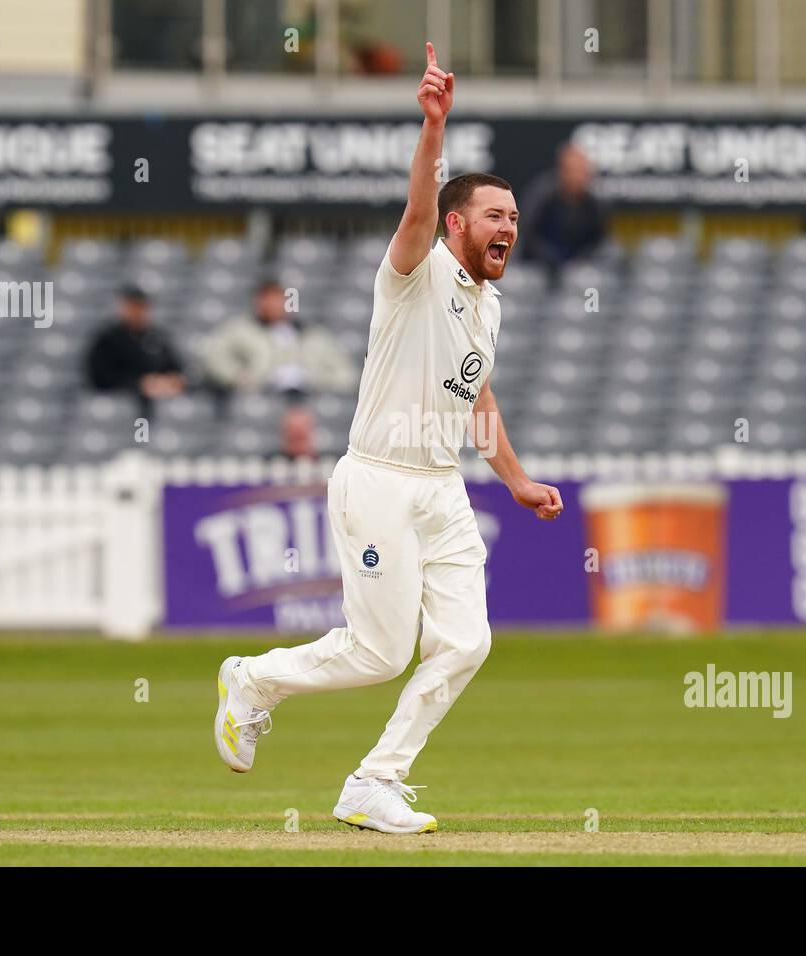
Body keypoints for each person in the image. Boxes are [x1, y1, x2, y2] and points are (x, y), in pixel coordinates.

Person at [211, 41, 564, 835]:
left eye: (513, 216)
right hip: (377, 478)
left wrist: (516, 479)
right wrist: (433, 129)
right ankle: (254, 680)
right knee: (378, 655)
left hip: (442, 489)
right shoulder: (413, 270)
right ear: (456, 224)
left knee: (466, 642)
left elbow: (477, 397)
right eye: (494, 216)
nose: (508, 226)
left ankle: (374, 781)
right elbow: (413, 210)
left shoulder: (489, 305)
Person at [197, 278, 356, 400]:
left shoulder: (314, 335)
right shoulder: (239, 330)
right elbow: (213, 357)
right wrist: (243, 379)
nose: (272, 305)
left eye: (277, 298)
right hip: (258, 398)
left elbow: (347, 375)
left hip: (307, 400)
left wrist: (312, 380)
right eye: (266, 299)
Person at [84, 284, 185, 406]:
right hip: (121, 404)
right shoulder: (107, 339)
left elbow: (174, 366)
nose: (138, 311)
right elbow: (100, 377)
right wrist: (139, 384)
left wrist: (170, 380)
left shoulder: (158, 336)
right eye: (134, 306)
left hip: (158, 402)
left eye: (142, 306)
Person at [519, 142, 607, 268]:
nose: (578, 177)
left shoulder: (595, 204)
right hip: (538, 265)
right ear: (562, 170)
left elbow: (598, 241)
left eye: (582, 171)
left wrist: (580, 260)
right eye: (573, 170)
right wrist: (551, 259)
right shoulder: (542, 196)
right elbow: (527, 234)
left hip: (580, 268)